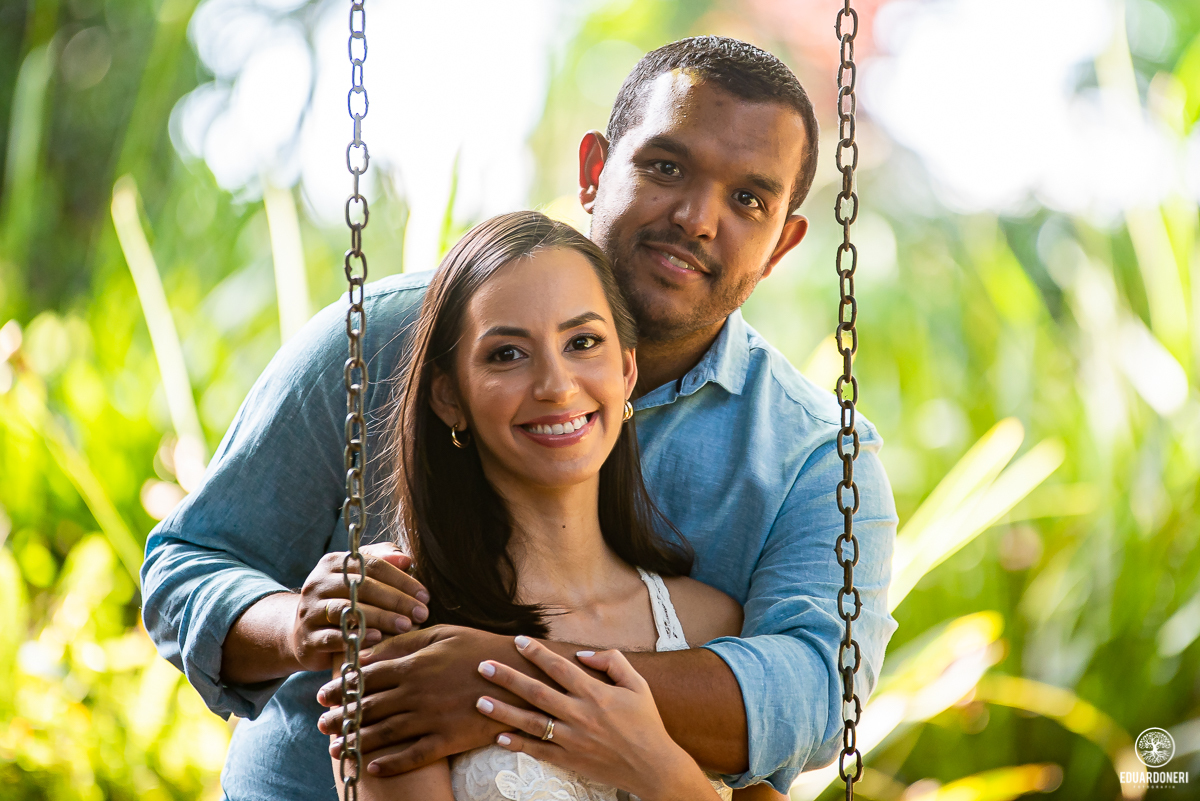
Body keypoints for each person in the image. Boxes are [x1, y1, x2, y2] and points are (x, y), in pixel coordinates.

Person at [141, 36, 897, 799]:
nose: (698, 217)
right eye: (666, 166)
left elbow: (819, 694)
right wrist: (302, 624)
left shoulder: (816, 459)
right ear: (595, 170)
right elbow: (188, 564)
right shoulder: (385, 338)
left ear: (781, 247)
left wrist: (494, 676)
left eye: (749, 200)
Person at [333, 210, 750, 801]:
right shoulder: (395, 634)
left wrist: (653, 764)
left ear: (626, 370)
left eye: (583, 342)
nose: (556, 385)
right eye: (507, 354)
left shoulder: (713, 628)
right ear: (449, 396)